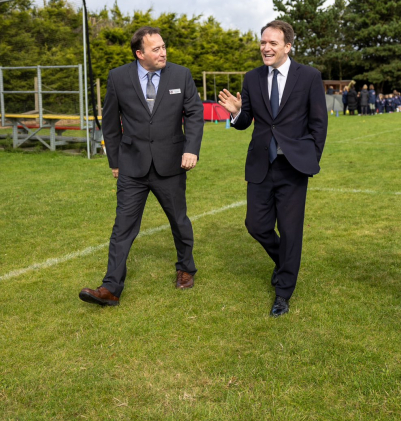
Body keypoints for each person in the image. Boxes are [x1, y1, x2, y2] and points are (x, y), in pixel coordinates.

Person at [79, 26, 204, 306]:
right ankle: (110, 288)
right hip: (131, 167)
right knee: (122, 227)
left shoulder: (180, 74)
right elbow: (110, 124)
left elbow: (195, 113)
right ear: (140, 53)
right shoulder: (118, 77)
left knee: (178, 221)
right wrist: (115, 162)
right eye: (156, 49)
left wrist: (191, 149)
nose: (163, 52)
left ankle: (185, 268)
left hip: (171, 164)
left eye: (163, 47)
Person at [217, 20, 328, 317]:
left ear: (287, 47)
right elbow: (245, 121)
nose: (266, 47)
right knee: (256, 225)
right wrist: (237, 113)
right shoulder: (252, 78)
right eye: (263, 42)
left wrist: (309, 156)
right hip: (261, 164)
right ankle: (286, 262)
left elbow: (319, 123)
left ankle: (283, 292)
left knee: (291, 232)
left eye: (273, 43)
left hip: (294, 167)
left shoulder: (309, 77)